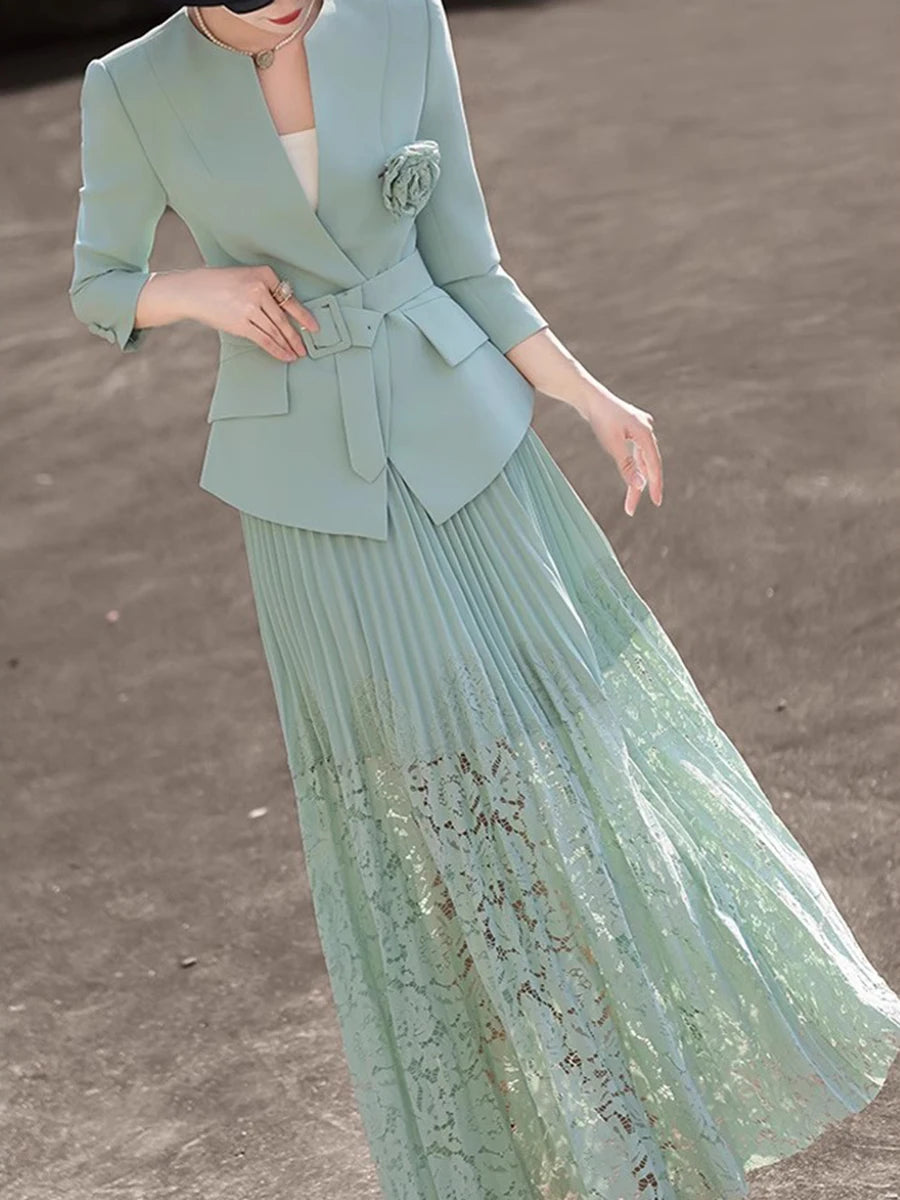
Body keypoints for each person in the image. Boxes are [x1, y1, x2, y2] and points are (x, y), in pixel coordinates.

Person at [68, 2, 900, 1197]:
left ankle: (651, 1127)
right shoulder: (131, 83)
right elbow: (100, 284)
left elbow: (466, 258)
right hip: (310, 502)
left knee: (574, 774)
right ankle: (525, 1156)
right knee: (434, 824)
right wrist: (194, 292)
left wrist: (589, 396)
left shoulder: (402, 16)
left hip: (471, 453)